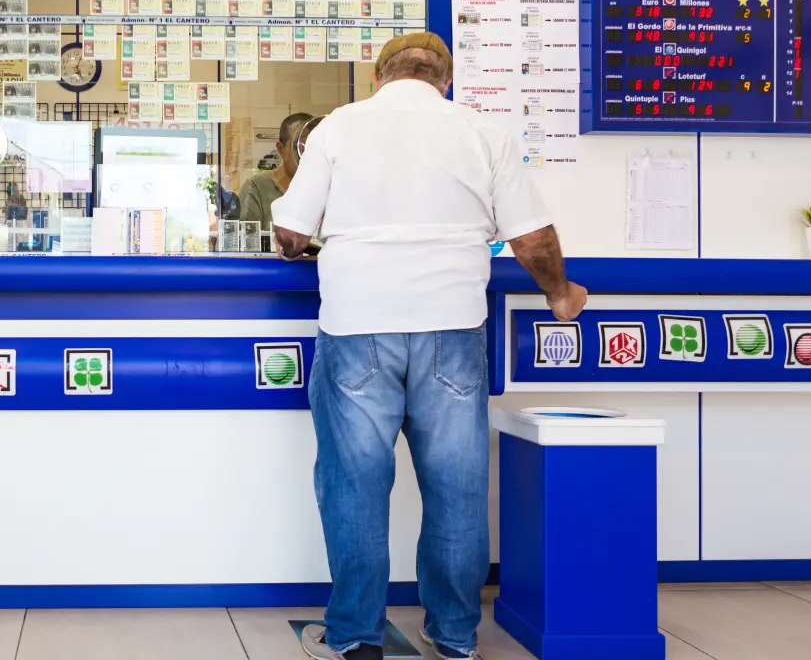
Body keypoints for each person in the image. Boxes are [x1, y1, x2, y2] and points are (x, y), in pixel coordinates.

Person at [271, 33, 587, 660]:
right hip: (452, 327)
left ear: (379, 76)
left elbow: (291, 231)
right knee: (456, 488)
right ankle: (453, 637)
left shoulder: (338, 127)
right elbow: (532, 238)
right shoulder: (482, 132)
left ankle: (355, 637)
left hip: (358, 325)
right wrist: (561, 294)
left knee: (355, 485)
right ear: (445, 80)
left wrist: (298, 247)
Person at [239, 113, 317, 229]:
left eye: (312, 147)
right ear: (280, 149)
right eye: (298, 147)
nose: (304, 155)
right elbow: (246, 235)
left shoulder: (323, 186)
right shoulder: (256, 187)